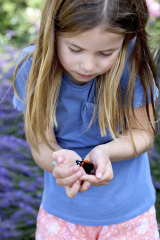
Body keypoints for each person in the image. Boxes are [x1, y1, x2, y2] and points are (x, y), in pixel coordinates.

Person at [13, 0, 160, 239]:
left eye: (105, 53)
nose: (88, 65)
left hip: (130, 218)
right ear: (54, 31)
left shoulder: (132, 64)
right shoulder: (33, 68)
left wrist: (106, 152)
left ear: (126, 41)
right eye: (75, 49)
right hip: (62, 219)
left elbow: (143, 133)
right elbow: (41, 145)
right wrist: (58, 161)